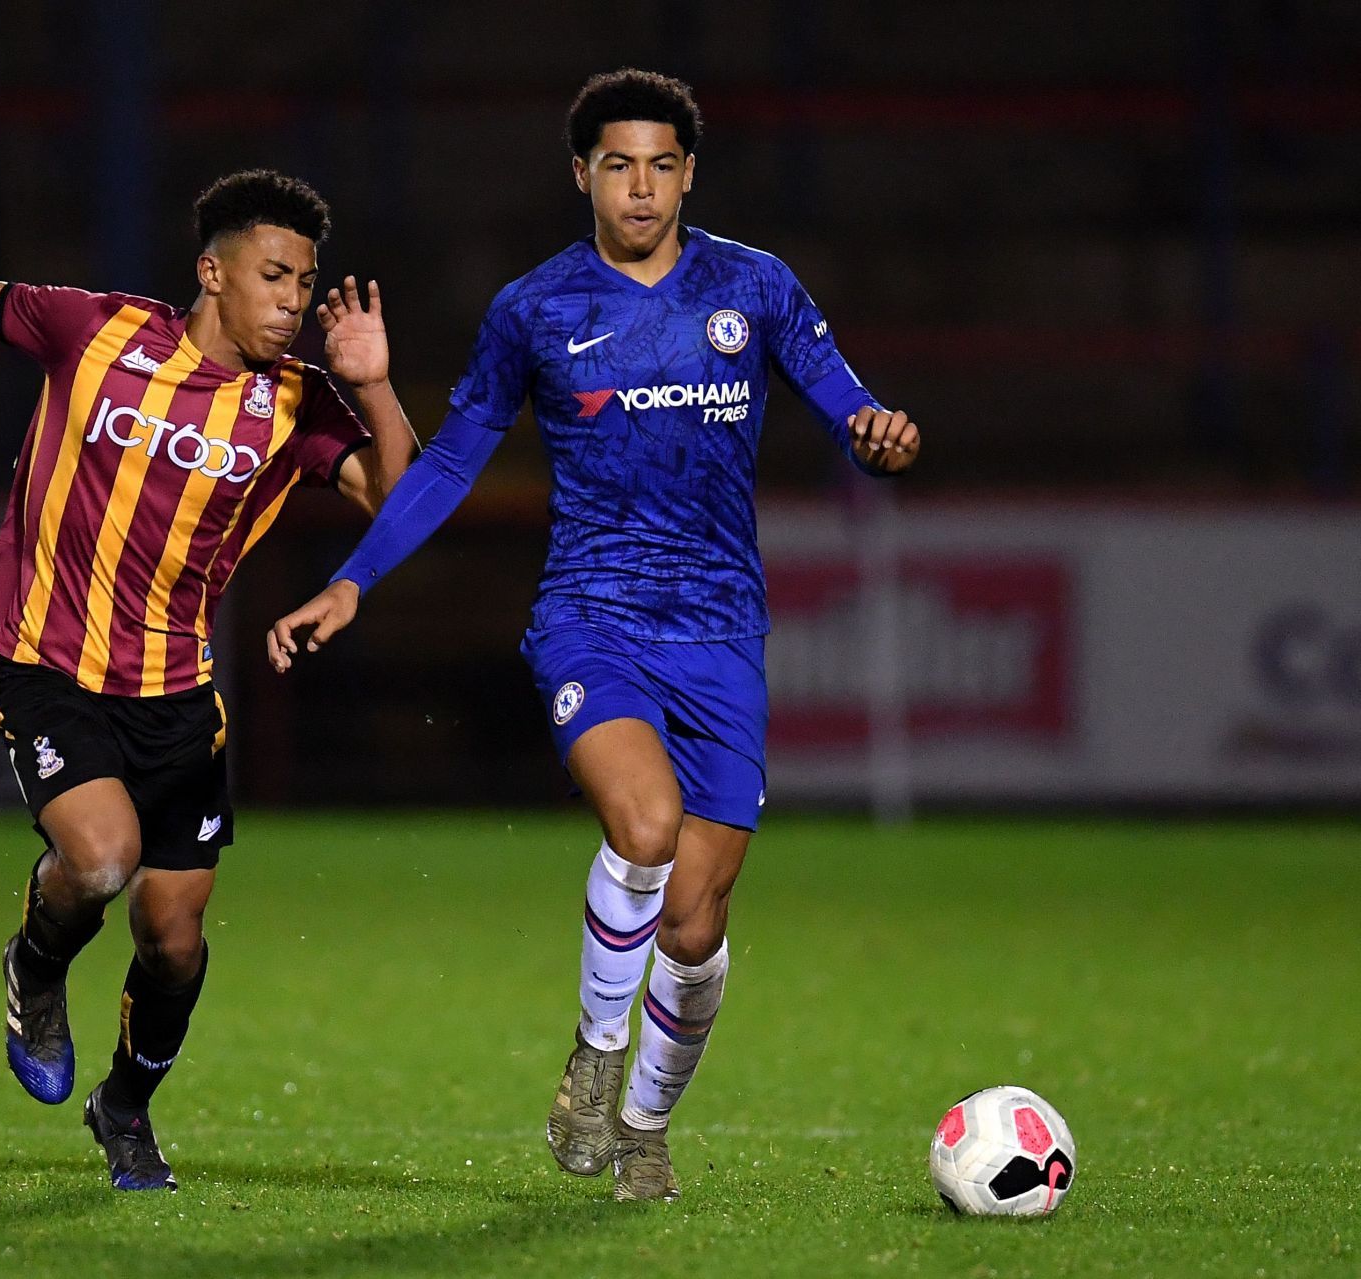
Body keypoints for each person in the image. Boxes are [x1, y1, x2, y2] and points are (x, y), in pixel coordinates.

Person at [266, 71, 919, 1202]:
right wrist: (357, 579)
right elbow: (457, 458)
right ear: (582, 175)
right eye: (619, 164)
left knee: (698, 923)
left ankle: (646, 1129)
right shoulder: (536, 309)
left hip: (720, 631)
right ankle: (594, 1055)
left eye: (663, 164)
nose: (642, 186)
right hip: (591, 615)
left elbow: (845, 404)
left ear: (689, 174)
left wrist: (880, 436)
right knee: (646, 822)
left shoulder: (753, 286)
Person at [0, 169, 416, 1191]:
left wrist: (372, 386)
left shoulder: (294, 404)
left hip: (179, 696)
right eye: (274, 275)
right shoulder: (96, 333)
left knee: (173, 938)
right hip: (50, 662)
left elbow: (403, 508)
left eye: (305, 286)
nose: (292, 301)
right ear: (211, 272)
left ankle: (125, 1109)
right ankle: (35, 965)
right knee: (100, 860)